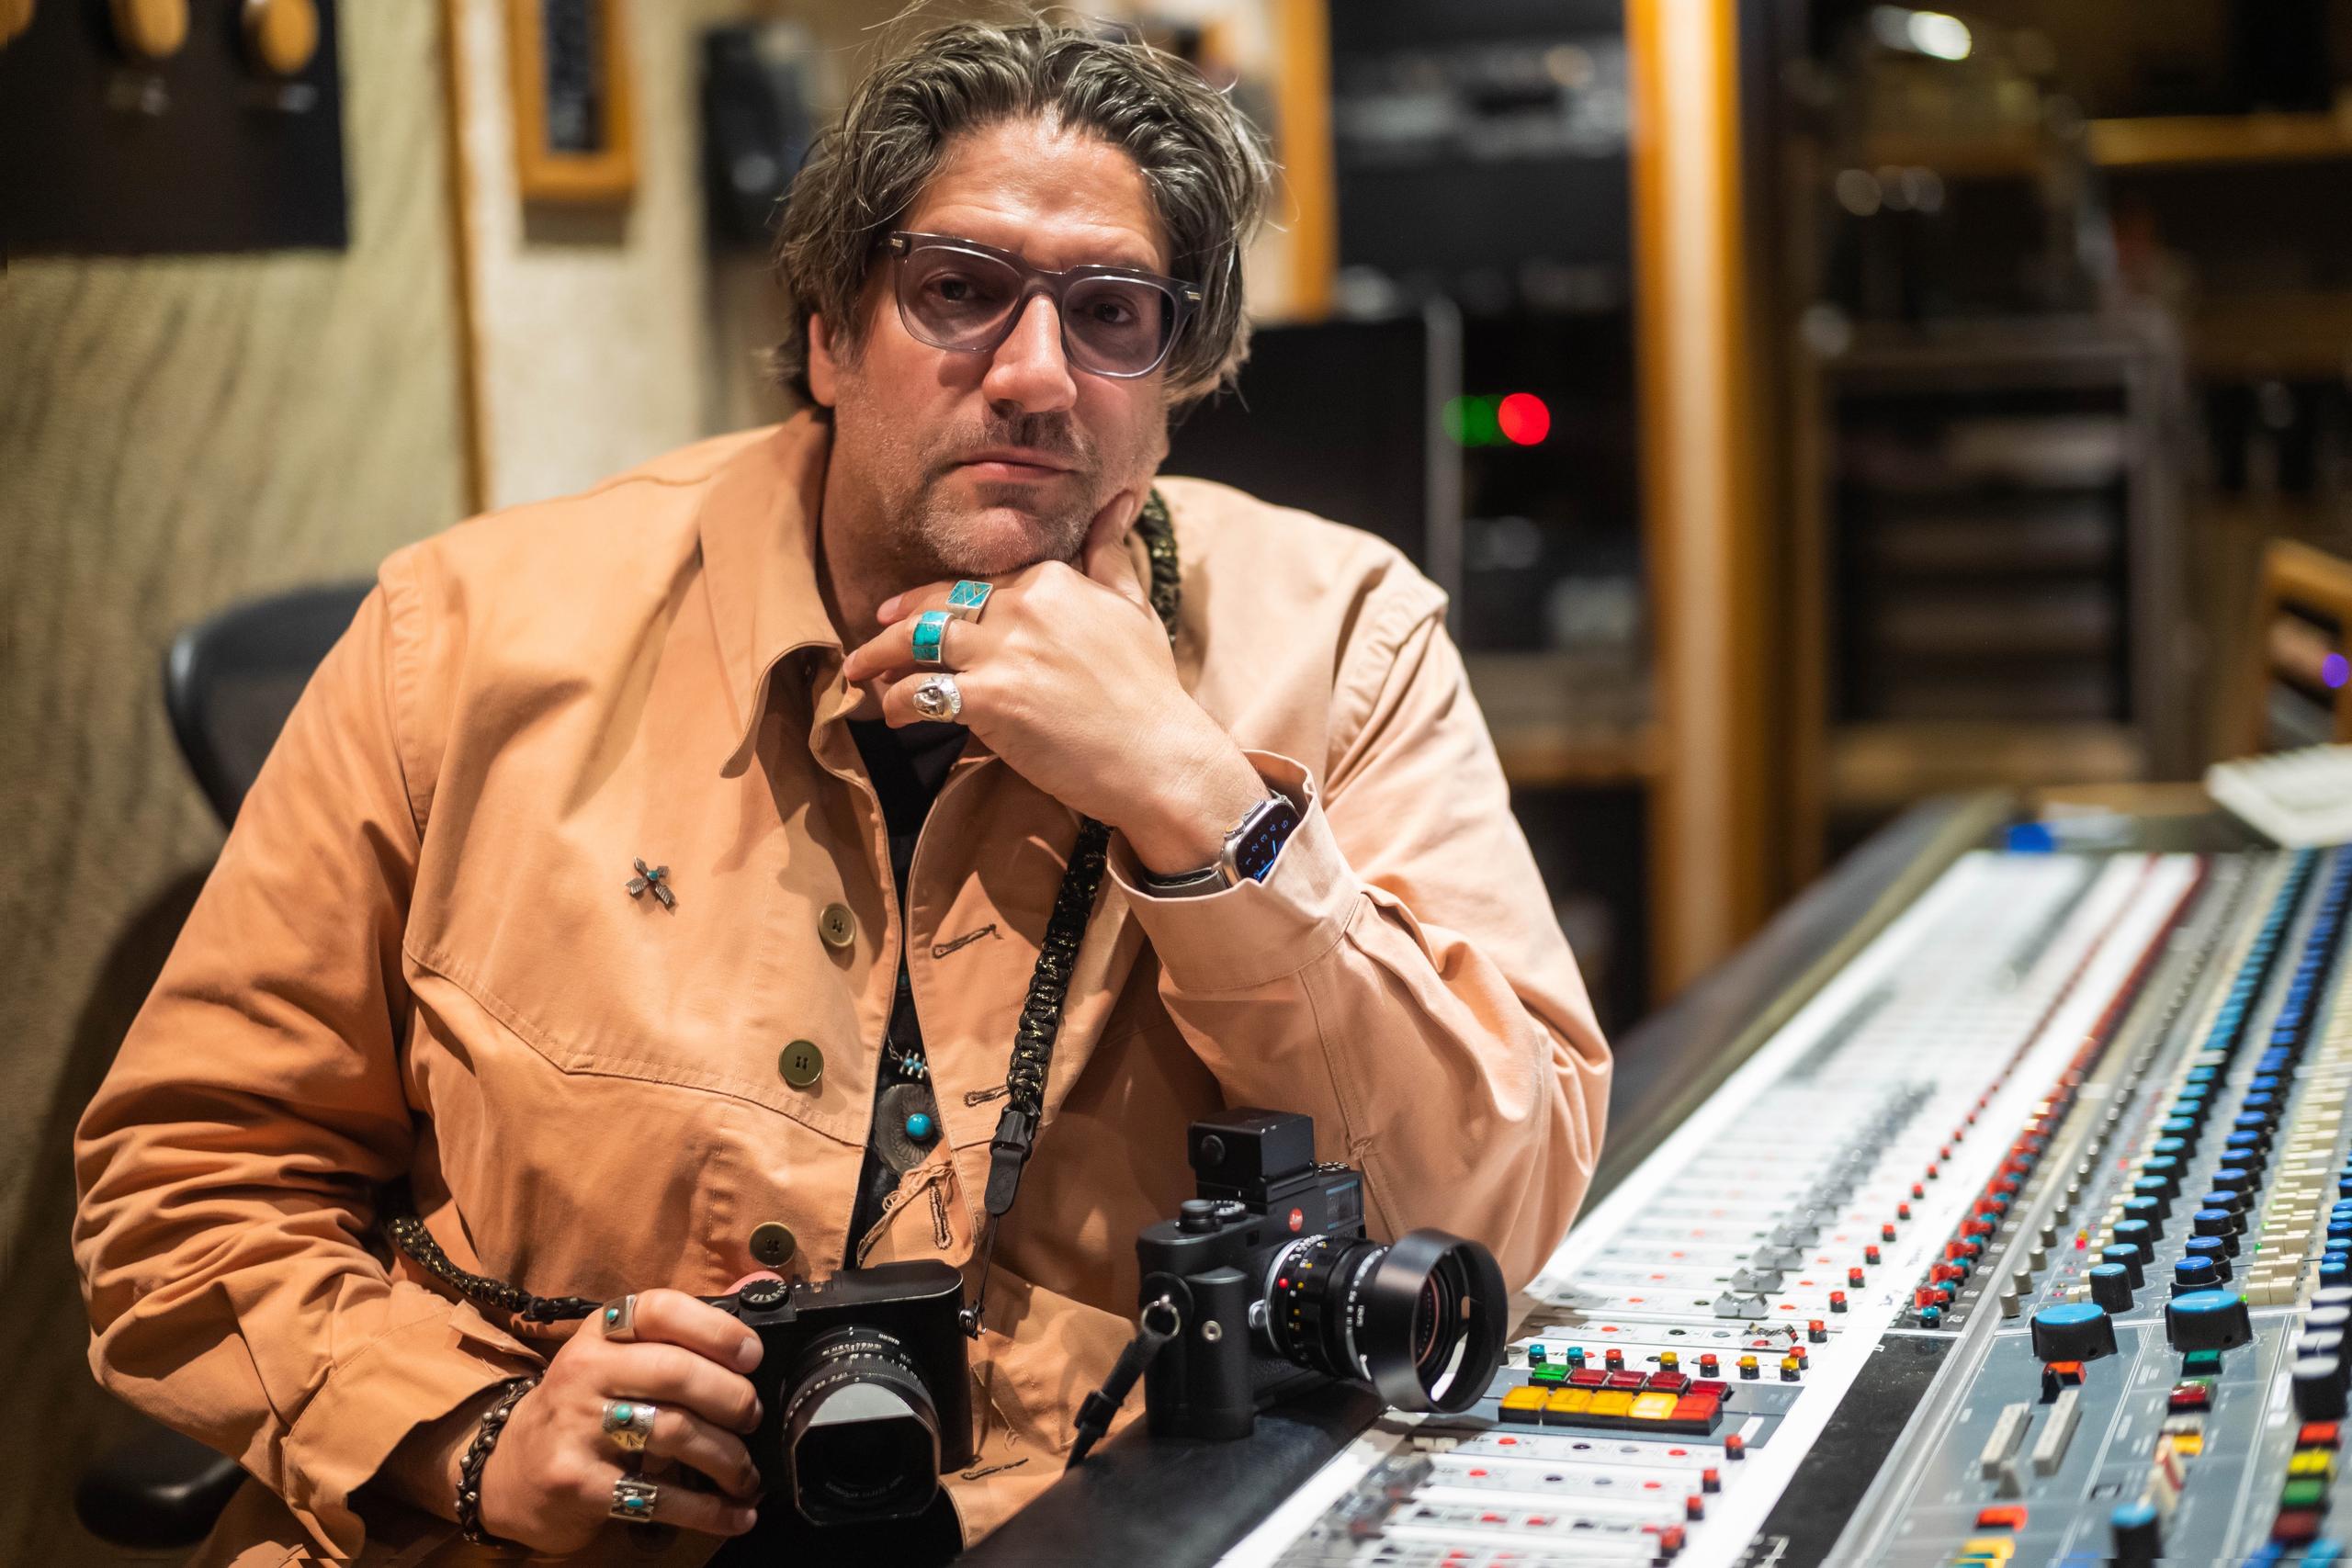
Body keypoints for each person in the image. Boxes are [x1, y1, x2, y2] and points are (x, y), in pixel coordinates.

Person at [74, 17, 1610, 1567]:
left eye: (1111, 312)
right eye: (958, 291)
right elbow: (186, 1190)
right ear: (826, 330)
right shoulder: (459, 640)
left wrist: (1196, 799)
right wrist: (467, 1433)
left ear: (1175, 380)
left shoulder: (1345, 640)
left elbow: (1494, 1206)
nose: (1034, 376)